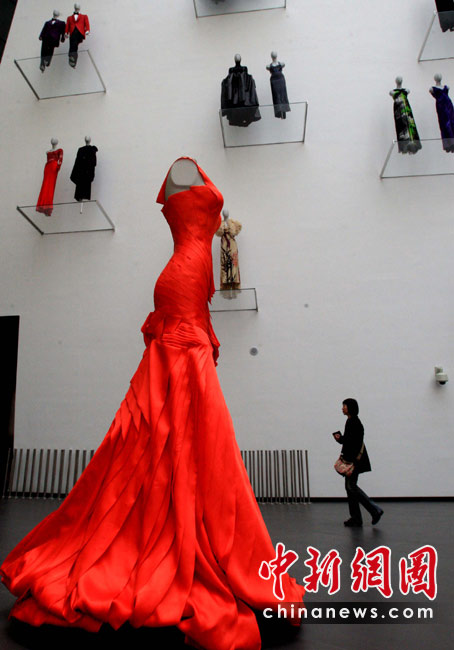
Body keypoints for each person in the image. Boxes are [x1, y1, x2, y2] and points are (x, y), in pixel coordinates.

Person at [1, 157, 304, 650]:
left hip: (191, 281)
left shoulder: (192, 183)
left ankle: (180, 509)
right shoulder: (183, 170)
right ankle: (165, 530)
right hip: (182, 281)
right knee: (178, 396)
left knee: (188, 410)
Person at [333, 398, 383, 527]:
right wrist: (340, 439)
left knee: (351, 487)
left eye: (344, 406)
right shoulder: (351, 421)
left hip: (354, 461)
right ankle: (356, 517)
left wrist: (352, 461)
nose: (342, 408)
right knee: (350, 487)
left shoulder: (354, 422)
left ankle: (374, 510)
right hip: (354, 460)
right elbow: (349, 440)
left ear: (350, 408)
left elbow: (354, 443)